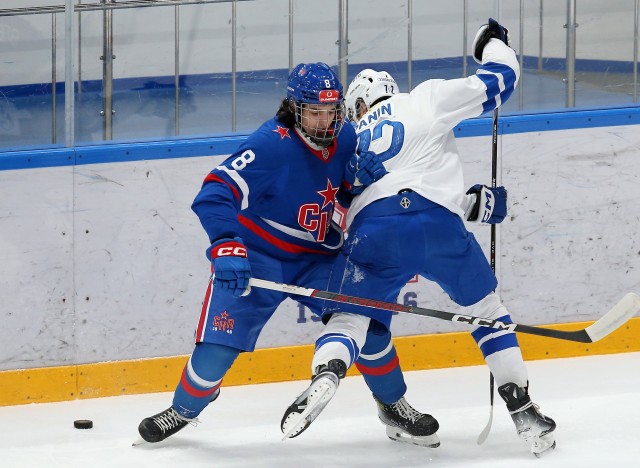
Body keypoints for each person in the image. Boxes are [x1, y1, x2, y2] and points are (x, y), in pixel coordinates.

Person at [281, 20, 556, 457]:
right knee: (488, 312)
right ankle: (524, 412)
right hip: (437, 224)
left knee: (350, 320)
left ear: (354, 108)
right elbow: (501, 81)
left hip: (373, 232)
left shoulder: (347, 143)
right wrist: (492, 45)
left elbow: (352, 208)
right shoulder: (424, 97)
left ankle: (328, 371)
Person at [137, 62, 432, 445]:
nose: (325, 121)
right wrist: (227, 245)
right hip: (258, 257)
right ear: (294, 108)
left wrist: (361, 184)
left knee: (370, 328)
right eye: (315, 111)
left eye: (332, 110)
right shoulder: (269, 146)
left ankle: (393, 405)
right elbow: (213, 193)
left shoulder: (346, 138)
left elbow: (341, 196)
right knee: (215, 353)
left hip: (317, 258)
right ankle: (183, 409)